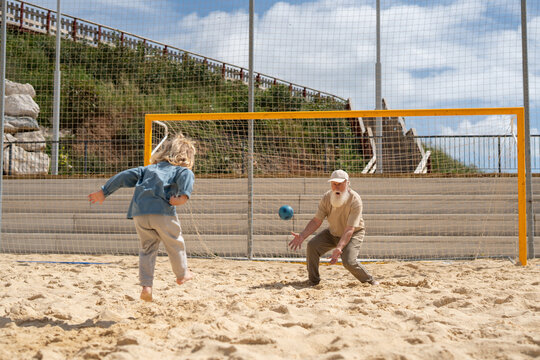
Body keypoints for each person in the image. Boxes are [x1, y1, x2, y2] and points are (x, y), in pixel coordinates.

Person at [88, 133, 196, 301]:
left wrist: (104, 192)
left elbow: (123, 176)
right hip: (163, 212)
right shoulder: (181, 170)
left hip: (140, 213)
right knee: (175, 242)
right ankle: (182, 274)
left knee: (147, 249)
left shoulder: (146, 169)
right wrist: (181, 198)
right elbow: (187, 176)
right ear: (186, 156)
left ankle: (146, 286)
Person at [289, 169, 378, 286]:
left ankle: (369, 280)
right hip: (333, 232)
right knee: (312, 246)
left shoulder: (355, 200)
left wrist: (339, 248)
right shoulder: (327, 197)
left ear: (347, 183)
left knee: (349, 262)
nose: (336, 187)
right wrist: (302, 236)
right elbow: (316, 221)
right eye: (334, 184)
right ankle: (313, 281)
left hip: (353, 234)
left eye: (340, 184)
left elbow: (349, 229)